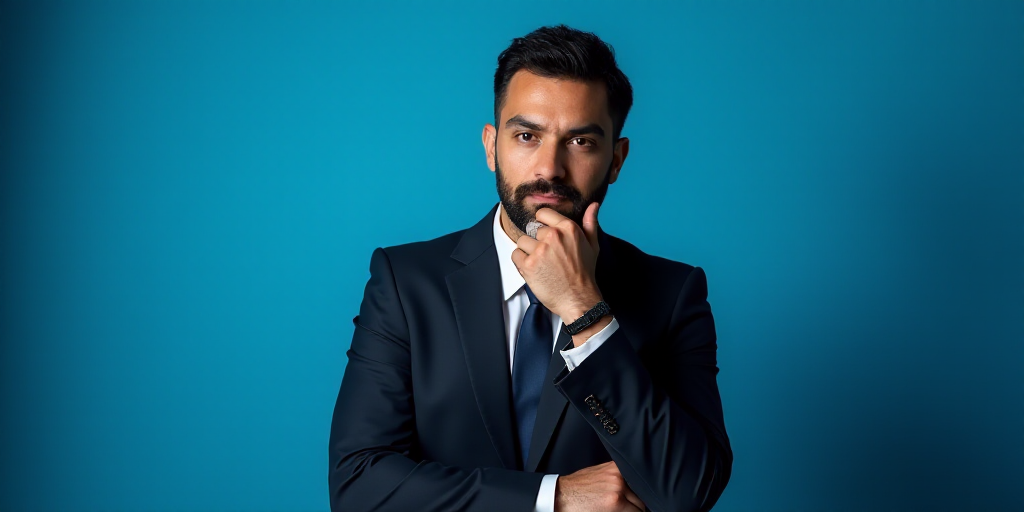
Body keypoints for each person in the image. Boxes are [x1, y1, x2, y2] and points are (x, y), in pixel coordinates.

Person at [328, 24, 732, 512]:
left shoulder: (671, 293)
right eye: (526, 135)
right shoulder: (406, 282)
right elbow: (358, 484)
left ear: (616, 160)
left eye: (580, 141)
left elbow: (687, 491)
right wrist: (553, 498)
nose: (549, 168)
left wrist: (586, 311)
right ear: (491, 146)